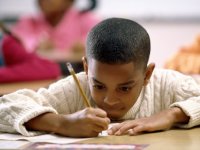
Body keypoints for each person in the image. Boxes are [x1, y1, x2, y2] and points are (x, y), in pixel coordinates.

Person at [0, 18, 200, 138]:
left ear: (147, 74)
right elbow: (6, 106)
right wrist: (61, 123)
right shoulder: (74, 88)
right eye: (99, 85)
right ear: (86, 68)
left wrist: (171, 115)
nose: (109, 100)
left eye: (125, 88)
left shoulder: (165, 85)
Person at [11, 0, 100, 74]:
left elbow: (98, 42)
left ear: (69, 2)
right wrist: (35, 44)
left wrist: (85, 45)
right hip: (37, 78)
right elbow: (14, 44)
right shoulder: (29, 21)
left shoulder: (86, 19)